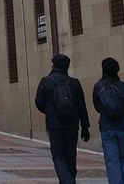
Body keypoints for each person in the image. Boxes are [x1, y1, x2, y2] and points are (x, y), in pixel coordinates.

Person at [35, 53, 90, 184]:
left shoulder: (46, 81)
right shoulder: (74, 83)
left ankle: (68, 181)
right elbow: (82, 106)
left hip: (54, 125)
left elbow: (39, 102)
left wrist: (49, 112)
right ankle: (69, 180)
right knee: (71, 155)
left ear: (54, 65)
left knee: (58, 156)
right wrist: (85, 127)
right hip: (72, 124)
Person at [93, 57, 124, 184]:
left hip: (107, 126)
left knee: (112, 161)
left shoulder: (99, 86)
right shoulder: (123, 86)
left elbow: (97, 107)